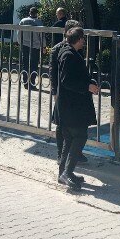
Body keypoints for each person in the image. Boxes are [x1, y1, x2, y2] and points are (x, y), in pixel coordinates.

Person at [55, 26, 98, 190]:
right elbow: (67, 80)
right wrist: (87, 87)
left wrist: (89, 82)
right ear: (79, 39)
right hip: (72, 106)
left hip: (69, 106)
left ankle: (64, 173)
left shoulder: (69, 52)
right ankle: (67, 172)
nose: (84, 41)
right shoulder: (69, 55)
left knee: (69, 139)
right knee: (79, 136)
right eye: (83, 38)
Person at [49, 20, 88, 166]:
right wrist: (55, 91)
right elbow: (53, 72)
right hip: (63, 92)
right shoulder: (58, 49)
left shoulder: (77, 48)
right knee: (62, 124)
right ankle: (62, 155)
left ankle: (75, 152)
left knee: (77, 123)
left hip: (76, 93)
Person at [17, 6, 45, 89]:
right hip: (35, 46)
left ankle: (25, 82)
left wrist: (20, 42)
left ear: (29, 12)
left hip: (25, 45)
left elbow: (19, 33)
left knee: (25, 64)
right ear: (37, 13)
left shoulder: (23, 21)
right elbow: (41, 35)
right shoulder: (39, 22)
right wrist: (43, 46)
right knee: (34, 65)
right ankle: (32, 83)